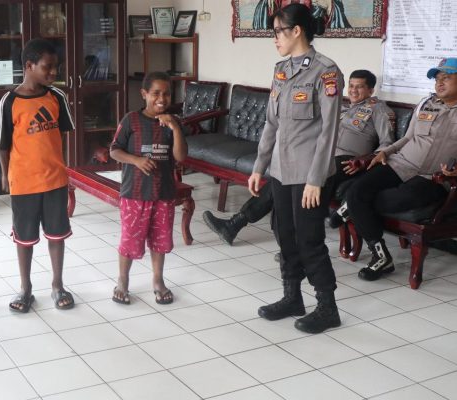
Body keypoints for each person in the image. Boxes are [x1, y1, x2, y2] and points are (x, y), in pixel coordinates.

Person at [204, 69, 395, 246]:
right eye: (351, 86)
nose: (353, 90)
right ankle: (236, 224)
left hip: (347, 161)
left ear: (371, 90)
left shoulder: (379, 110)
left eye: (359, 87)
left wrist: (366, 160)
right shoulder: (342, 108)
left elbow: (388, 144)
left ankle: (250, 230)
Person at [248, 3, 344, 334]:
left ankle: (327, 307)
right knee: (285, 237)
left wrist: (316, 179)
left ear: (297, 31)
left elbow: (329, 131)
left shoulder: (326, 72)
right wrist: (259, 166)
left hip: (308, 174)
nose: (275, 38)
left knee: (309, 240)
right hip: (280, 170)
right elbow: (271, 123)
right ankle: (292, 297)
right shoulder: (281, 70)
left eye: (278, 31)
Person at [341, 57, 457, 281]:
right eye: (437, 79)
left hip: (432, 178)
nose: (439, 83)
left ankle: (349, 209)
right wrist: (385, 152)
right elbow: (408, 137)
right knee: (357, 191)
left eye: (447, 78)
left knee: (382, 200)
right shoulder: (426, 103)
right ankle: (381, 255)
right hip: (401, 163)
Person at [0, 38, 76, 312]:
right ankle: (25, 289)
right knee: (25, 238)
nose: (53, 72)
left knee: (56, 235)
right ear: (29, 66)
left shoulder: (57, 97)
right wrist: (6, 176)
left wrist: (61, 166)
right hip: (24, 182)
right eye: (48, 67)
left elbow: (62, 136)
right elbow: (3, 144)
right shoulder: (9, 101)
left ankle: (58, 285)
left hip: (55, 180)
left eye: (56, 67)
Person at [109, 72, 187, 305]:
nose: (161, 99)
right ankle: (123, 280)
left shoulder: (173, 122)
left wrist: (175, 127)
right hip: (135, 193)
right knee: (130, 239)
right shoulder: (131, 120)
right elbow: (114, 150)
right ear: (144, 94)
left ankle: (158, 280)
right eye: (155, 93)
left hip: (163, 193)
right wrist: (136, 160)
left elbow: (181, 156)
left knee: (160, 240)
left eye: (166, 94)